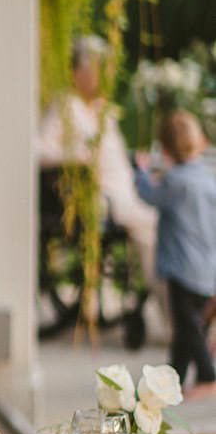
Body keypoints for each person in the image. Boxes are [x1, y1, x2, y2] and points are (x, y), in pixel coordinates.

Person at [37, 35, 158, 304]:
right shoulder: (65, 106)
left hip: (126, 192)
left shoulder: (103, 110)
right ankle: (182, 315)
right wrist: (79, 157)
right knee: (156, 228)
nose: (100, 76)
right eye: (94, 69)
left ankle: (182, 311)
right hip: (99, 197)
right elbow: (39, 150)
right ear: (77, 72)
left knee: (162, 229)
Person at [134, 111, 216, 395]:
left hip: (182, 269)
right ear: (201, 143)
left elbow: (148, 195)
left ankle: (208, 374)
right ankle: (174, 382)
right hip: (207, 269)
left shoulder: (175, 182)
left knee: (188, 328)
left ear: (166, 150)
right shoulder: (208, 180)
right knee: (185, 331)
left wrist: (141, 170)